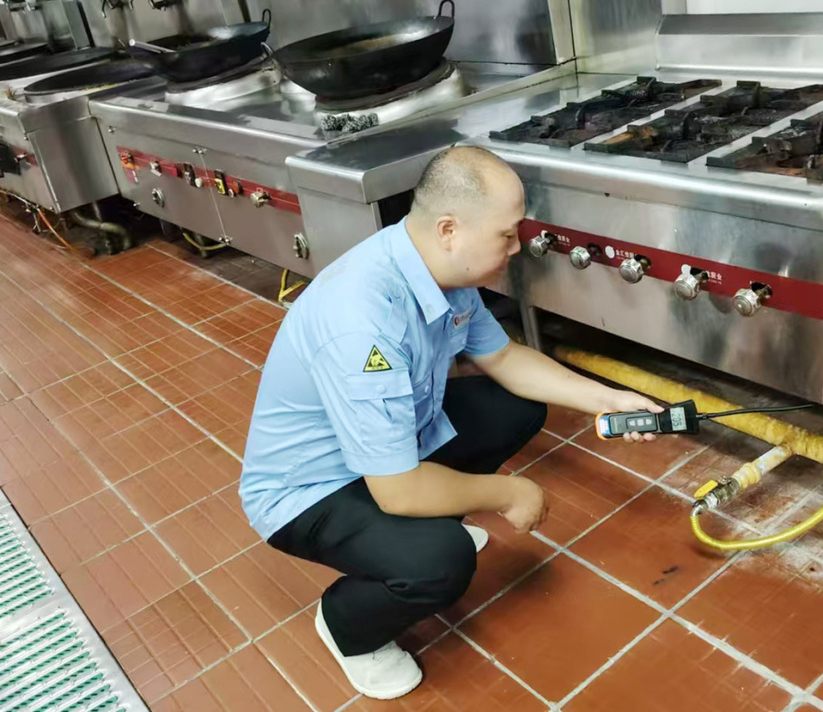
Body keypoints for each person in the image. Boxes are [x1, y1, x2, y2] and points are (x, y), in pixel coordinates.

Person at [239, 145, 662, 701]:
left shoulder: (437, 269)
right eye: (506, 235)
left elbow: (503, 358)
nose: (516, 247)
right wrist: (509, 492)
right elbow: (397, 490)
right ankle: (348, 626)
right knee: (440, 560)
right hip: (311, 490)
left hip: (388, 449)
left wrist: (606, 400)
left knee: (513, 407)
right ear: (449, 229)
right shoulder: (362, 325)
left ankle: (424, 527)